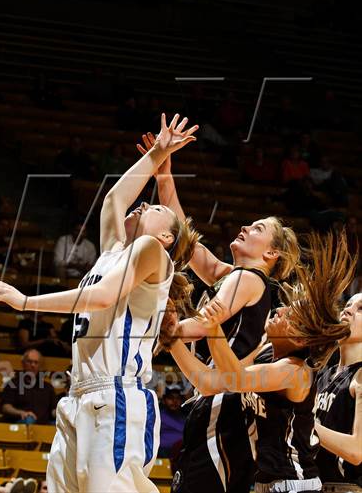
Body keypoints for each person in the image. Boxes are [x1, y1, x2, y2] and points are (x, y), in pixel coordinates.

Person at [0, 114, 200, 493]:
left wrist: (25, 301)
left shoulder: (152, 252)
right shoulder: (113, 253)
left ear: (167, 235)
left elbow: (100, 298)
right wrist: (156, 153)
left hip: (117, 395)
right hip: (78, 396)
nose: (144, 205)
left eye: (155, 208)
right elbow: (115, 197)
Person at [137, 131, 299, 493]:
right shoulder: (233, 276)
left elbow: (201, 325)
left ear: (271, 255)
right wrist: (164, 177)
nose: (244, 226)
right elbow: (185, 239)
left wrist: (149, 326)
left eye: (257, 229)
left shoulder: (247, 278)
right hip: (212, 399)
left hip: (225, 406)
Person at [200, 232, 356, 493]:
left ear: (298, 336)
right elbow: (220, 379)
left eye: (289, 314)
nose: (279, 310)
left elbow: (237, 379)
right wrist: (174, 341)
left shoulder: (294, 371)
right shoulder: (266, 353)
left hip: (293, 484)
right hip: (266, 482)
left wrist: (213, 328)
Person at [315, 293, 362, 490]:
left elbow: (356, 451)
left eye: (360, 309)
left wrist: (305, 426)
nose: (348, 309)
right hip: (315, 484)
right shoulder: (323, 373)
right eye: (348, 304)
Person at [1, 349, 58, 425]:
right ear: (23, 363)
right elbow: (6, 407)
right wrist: (22, 413)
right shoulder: (13, 384)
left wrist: (59, 413)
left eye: (36, 362)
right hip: (22, 422)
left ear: (39, 365)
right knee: (29, 420)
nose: (33, 365)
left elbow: (53, 410)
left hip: (44, 424)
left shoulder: (48, 387)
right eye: (29, 362)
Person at [158, 384, 186, 459]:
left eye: (178, 398)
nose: (174, 401)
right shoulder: (158, 416)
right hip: (163, 454)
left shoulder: (187, 417)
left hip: (183, 454)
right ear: (164, 400)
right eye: (170, 398)